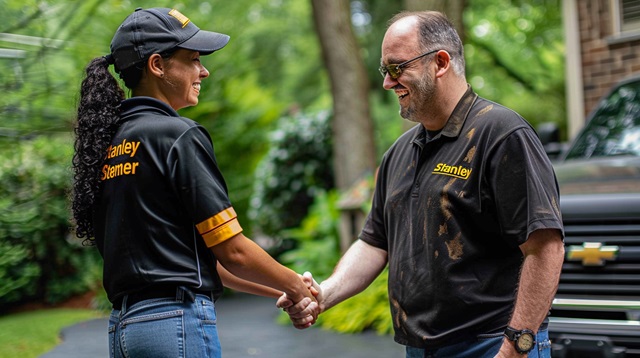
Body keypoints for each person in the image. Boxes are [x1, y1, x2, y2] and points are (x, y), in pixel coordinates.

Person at [278, 10, 565, 358]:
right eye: (385, 71)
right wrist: (323, 294)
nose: (387, 83)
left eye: (397, 68)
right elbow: (374, 244)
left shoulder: (502, 134)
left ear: (440, 62)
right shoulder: (398, 153)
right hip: (420, 350)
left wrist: (516, 346)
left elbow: (545, 249)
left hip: (491, 344)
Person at [71, 7, 317, 358]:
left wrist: (283, 290)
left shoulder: (106, 146)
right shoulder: (177, 136)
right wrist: (300, 287)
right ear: (157, 65)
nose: (204, 71)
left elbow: (207, 261)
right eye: (194, 59)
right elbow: (232, 250)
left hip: (124, 330)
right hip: (175, 326)